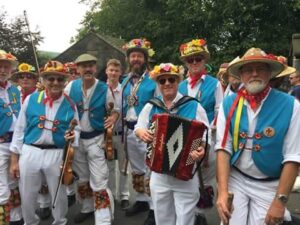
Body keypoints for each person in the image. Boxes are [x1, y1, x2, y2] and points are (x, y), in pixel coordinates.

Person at [216, 47, 300, 225]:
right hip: (236, 179)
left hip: (270, 184)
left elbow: (294, 157)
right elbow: (224, 148)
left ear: (270, 73)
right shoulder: (228, 104)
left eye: (260, 68)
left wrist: (280, 201)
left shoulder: (291, 105)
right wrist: (222, 192)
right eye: (248, 69)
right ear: (241, 75)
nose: (254, 73)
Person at [135, 63, 209, 225]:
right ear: (158, 84)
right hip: (159, 175)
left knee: (185, 220)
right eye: (162, 81)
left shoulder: (193, 105)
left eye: (171, 80)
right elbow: (138, 126)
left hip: (186, 175)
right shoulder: (151, 106)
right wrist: (141, 132)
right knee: (162, 218)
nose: (167, 83)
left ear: (178, 82)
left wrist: (201, 149)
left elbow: (205, 134)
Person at [9, 60, 80, 225]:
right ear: (44, 80)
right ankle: (30, 222)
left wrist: (73, 135)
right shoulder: (31, 99)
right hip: (30, 151)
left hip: (56, 153)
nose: (55, 83)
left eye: (60, 79)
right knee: (27, 194)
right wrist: (14, 160)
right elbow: (19, 129)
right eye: (51, 79)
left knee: (59, 194)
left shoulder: (70, 104)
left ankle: (60, 221)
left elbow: (77, 129)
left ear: (65, 81)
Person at [65, 53, 118, 225]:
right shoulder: (70, 87)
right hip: (78, 141)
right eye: (83, 66)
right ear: (78, 69)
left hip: (96, 139)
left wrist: (114, 118)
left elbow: (115, 110)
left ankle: (103, 220)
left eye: (91, 66)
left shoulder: (104, 88)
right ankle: (87, 208)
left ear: (95, 68)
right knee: (83, 177)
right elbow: (63, 109)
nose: (87, 69)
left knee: (99, 179)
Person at [178, 39, 223, 224]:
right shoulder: (180, 86)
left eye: (198, 59)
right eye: (190, 60)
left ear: (204, 61)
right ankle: (189, 213)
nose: (194, 63)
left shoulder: (215, 84)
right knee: (187, 174)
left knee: (205, 176)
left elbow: (220, 110)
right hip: (184, 137)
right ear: (186, 63)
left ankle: (201, 213)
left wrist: (210, 126)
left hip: (207, 136)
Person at [121, 38, 157, 225]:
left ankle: (154, 208)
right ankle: (142, 200)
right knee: (136, 168)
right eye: (133, 56)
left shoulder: (154, 79)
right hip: (129, 130)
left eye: (139, 56)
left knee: (150, 168)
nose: (136, 59)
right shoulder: (125, 80)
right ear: (129, 59)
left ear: (145, 59)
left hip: (148, 131)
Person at [12, 63, 53, 219]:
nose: (25, 79)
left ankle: (44, 204)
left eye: (29, 76)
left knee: (42, 176)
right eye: (21, 77)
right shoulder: (13, 93)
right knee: (21, 178)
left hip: (36, 141)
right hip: (16, 138)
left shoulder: (42, 95)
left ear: (35, 79)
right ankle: (22, 210)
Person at [0, 50, 23, 225]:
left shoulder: (15, 89)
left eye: (6, 67)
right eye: (0, 66)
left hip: (16, 142)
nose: (3, 70)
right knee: (1, 187)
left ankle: (16, 218)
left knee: (15, 181)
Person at [106, 59, 130, 209]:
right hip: (105, 135)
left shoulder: (125, 90)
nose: (113, 73)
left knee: (123, 167)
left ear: (120, 73)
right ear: (106, 72)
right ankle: (111, 195)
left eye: (116, 70)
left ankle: (125, 195)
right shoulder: (101, 89)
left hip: (122, 133)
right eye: (111, 70)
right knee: (108, 167)